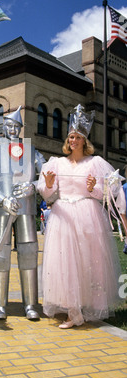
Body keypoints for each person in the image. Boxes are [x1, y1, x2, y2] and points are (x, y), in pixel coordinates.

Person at [38, 104, 124, 329]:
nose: (73, 140)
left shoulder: (94, 163)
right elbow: (48, 194)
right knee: (65, 263)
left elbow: (105, 194)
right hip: (63, 214)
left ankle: (85, 307)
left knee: (87, 262)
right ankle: (72, 311)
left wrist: (94, 187)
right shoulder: (56, 163)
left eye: (78, 137)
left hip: (87, 214)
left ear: (85, 140)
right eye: (71, 137)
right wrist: (48, 185)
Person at [0, 106, 46, 320]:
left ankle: (31, 303)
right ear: (2, 127)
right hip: (1, 208)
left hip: (26, 209)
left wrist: (33, 186)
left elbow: (48, 176)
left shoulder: (32, 151)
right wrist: (2, 199)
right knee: (0, 253)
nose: (12, 130)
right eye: (8, 126)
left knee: (28, 252)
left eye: (16, 126)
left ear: (21, 128)